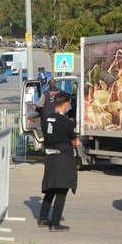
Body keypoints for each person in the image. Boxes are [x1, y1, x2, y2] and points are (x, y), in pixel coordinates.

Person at [38, 92, 80, 232]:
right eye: (69, 104)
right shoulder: (67, 122)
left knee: (51, 189)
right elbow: (74, 141)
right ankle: (55, 223)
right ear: (66, 104)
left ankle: (43, 219)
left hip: (51, 157)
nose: (69, 106)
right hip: (63, 158)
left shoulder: (46, 120)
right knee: (62, 190)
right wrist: (77, 142)